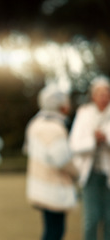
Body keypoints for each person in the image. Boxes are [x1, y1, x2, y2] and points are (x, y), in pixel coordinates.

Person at [24, 85, 78, 240]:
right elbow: (63, 160)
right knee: (55, 231)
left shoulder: (35, 124)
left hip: (39, 185)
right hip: (53, 189)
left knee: (50, 229)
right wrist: (78, 173)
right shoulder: (54, 128)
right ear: (60, 106)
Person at [69, 76, 110, 240]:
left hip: (108, 173)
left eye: (106, 92)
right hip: (90, 174)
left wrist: (105, 137)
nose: (103, 96)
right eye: (99, 92)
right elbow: (74, 144)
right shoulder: (83, 114)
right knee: (91, 219)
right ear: (93, 95)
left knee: (109, 218)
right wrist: (93, 140)